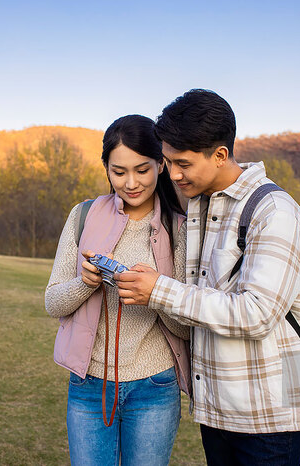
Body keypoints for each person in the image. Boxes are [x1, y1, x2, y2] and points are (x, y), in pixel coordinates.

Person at [116, 89, 300, 465]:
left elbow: (257, 314)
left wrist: (161, 291)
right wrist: (155, 283)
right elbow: (202, 302)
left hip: (270, 421)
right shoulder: (201, 204)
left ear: (221, 155)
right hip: (218, 413)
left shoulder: (274, 212)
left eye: (183, 164)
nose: (173, 175)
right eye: (168, 162)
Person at [44, 114, 191, 465]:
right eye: (119, 171)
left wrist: (153, 294)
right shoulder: (82, 215)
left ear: (160, 164)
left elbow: (186, 327)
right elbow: (52, 301)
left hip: (154, 387)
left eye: (142, 170)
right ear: (106, 168)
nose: (131, 183)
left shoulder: (181, 228)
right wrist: (86, 283)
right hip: (88, 385)